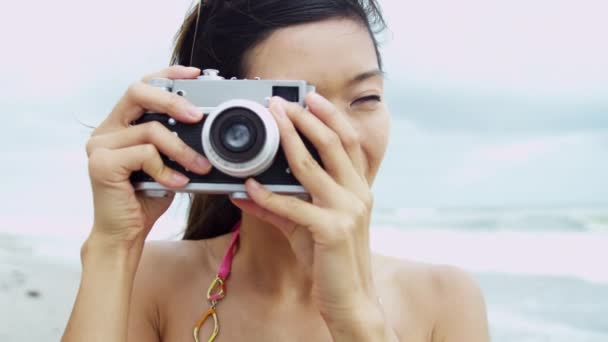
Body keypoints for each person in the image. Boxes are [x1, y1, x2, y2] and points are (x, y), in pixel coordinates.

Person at [62, 1, 490, 341]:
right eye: (292, 106)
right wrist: (112, 247)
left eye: (366, 98)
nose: (337, 136)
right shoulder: (150, 282)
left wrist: (357, 316)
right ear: (217, 122)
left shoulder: (446, 301)